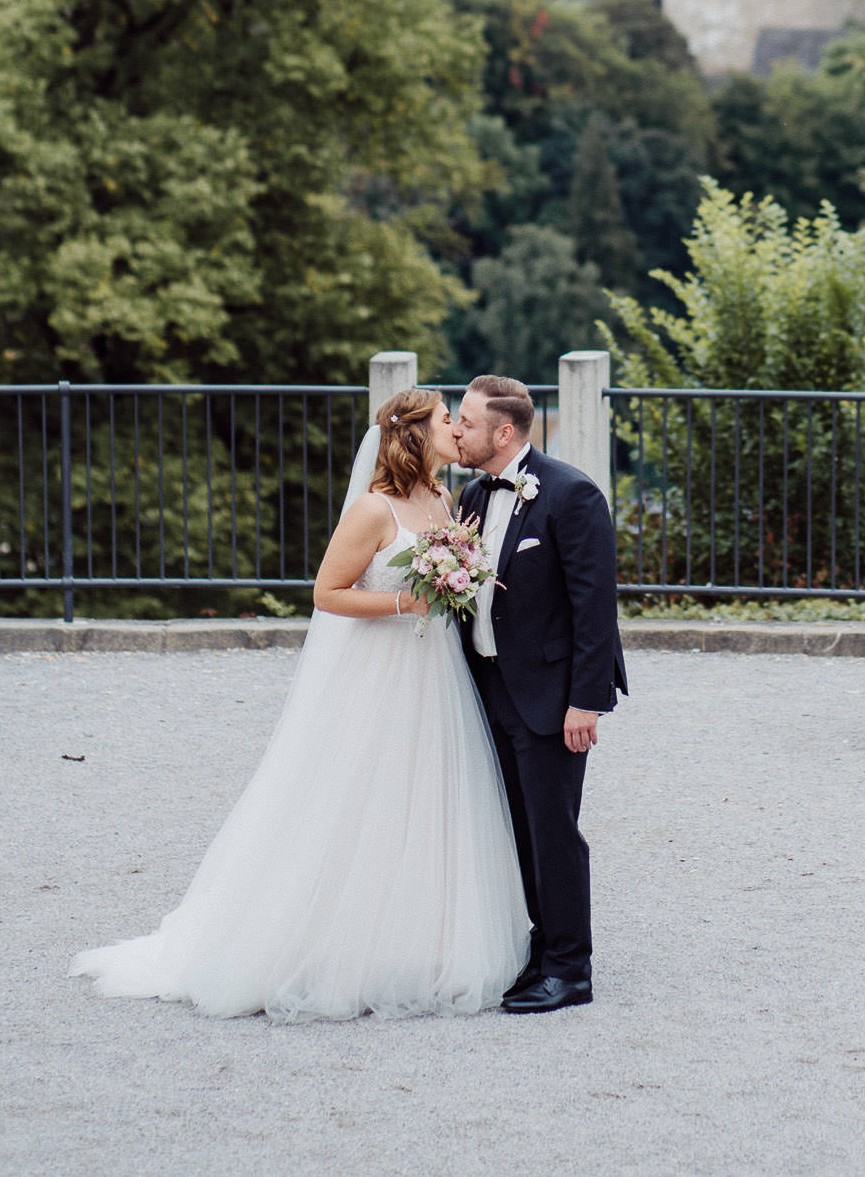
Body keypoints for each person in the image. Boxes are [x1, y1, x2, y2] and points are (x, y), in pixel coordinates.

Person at [70, 388, 527, 1020]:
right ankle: (326, 944)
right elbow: (327, 592)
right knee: (355, 797)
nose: (455, 427)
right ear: (414, 434)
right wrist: (406, 601)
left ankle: (415, 940)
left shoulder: (445, 499)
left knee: (422, 796)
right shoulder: (373, 509)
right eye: (445, 418)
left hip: (433, 672)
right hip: (378, 671)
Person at [455, 373, 627, 1014]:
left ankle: (570, 969)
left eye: (467, 423)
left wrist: (587, 701)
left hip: (551, 697)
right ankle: (540, 947)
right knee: (516, 827)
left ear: (505, 432)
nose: (457, 432)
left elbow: (594, 610)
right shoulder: (472, 492)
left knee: (553, 828)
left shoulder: (571, 494)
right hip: (489, 687)